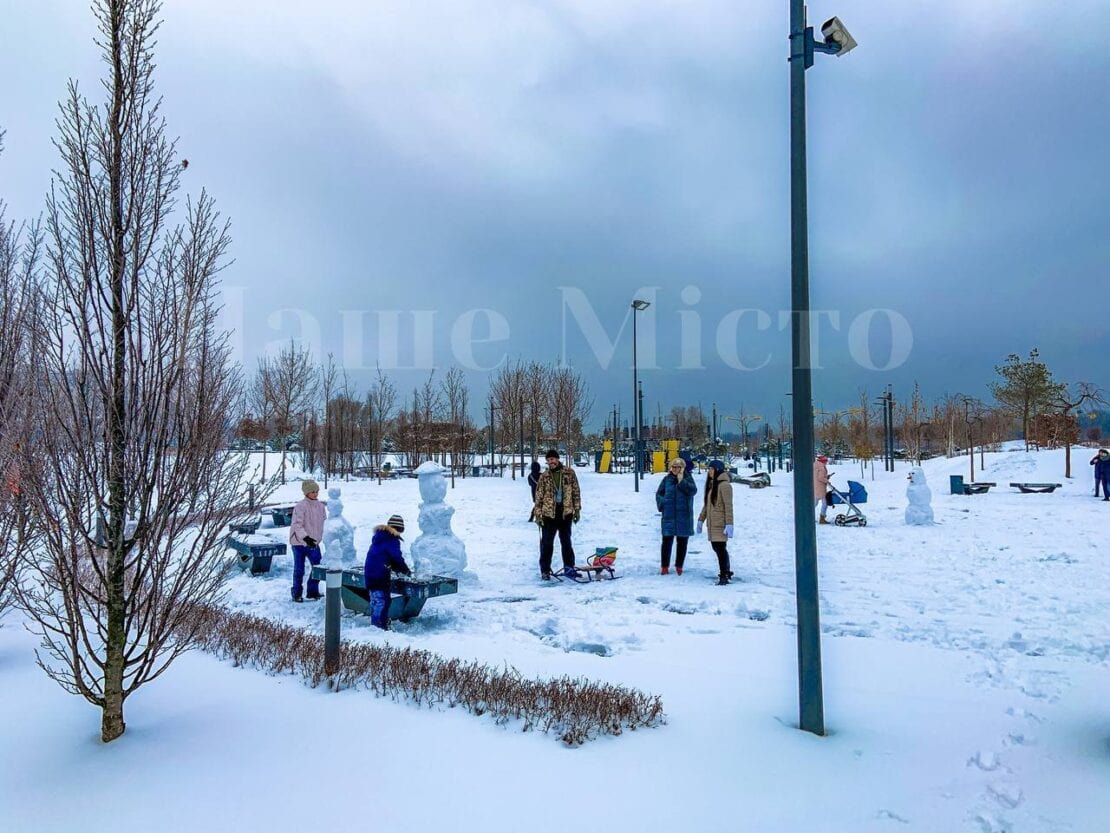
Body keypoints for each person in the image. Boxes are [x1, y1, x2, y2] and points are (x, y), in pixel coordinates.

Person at [532, 448, 582, 580]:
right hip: (549, 515)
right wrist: (538, 515)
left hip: (565, 513)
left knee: (566, 542)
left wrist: (576, 509)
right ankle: (545, 570)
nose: (550, 462)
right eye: (548, 460)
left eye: (552, 459)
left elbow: (576, 492)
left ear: (557, 459)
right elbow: (539, 497)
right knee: (547, 544)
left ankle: (569, 567)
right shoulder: (544, 476)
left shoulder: (569, 473)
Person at [363, 514, 412, 629]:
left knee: (376, 600)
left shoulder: (380, 537)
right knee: (383, 601)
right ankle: (379, 626)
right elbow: (396, 557)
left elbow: (385, 556)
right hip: (380, 575)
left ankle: (376, 623)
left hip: (370, 572)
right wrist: (405, 570)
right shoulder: (392, 540)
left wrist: (395, 567)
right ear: (399, 529)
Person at [655, 457, 697, 575]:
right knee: (667, 541)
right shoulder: (666, 479)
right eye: (673, 467)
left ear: (682, 468)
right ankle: (664, 566)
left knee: (682, 542)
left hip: (684, 516)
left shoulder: (688, 479)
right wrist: (663, 503)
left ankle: (679, 565)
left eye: (678, 467)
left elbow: (693, 491)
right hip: (669, 515)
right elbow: (659, 493)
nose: (675, 469)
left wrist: (681, 481)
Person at [697, 460, 734, 585]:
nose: (709, 472)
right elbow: (707, 505)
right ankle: (726, 571)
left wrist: (729, 524)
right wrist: (701, 519)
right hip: (713, 524)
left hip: (720, 524)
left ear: (717, 470)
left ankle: (724, 574)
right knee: (718, 548)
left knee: (720, 549)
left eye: (711, 469)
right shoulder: (713, 485)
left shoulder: (724, 486)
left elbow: (728, 506)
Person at [290, 479, 326, 602]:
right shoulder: (300, 506)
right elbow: (297, 525)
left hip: (314, 543)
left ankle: (312, 591)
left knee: (318, 568)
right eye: (312, 491)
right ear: (306, 493)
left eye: (317, 491)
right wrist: (306, 538)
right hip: (299, 543)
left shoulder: (321, 507)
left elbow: (324, 524)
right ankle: (296, 593)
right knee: (299, 570)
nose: (315, 494)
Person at [813, 454, 831, 524]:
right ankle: (822, 518)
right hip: (820, 487)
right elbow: (820, 477)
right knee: (824, 503)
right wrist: (827, 480)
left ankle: (809, 515)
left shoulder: (815, 465)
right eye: (826, 461)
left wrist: (826, 476)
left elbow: (819, 476)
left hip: (816, 486)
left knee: (815, 502)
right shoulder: (821, 467)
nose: (826, 462)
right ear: (823, 461)